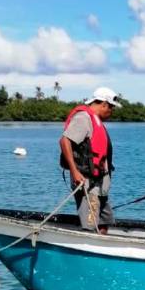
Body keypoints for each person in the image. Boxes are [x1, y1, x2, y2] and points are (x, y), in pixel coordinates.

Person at [59, 87, 121, 233]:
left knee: (105, 221)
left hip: (100, 184)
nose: (111, 111)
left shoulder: (95, 120)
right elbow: (64, 141)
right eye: (111, 107)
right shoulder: (83, 118)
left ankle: (104, 250)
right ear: (104, 104)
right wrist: (74, 172)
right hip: (88, 184)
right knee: (90, 225)